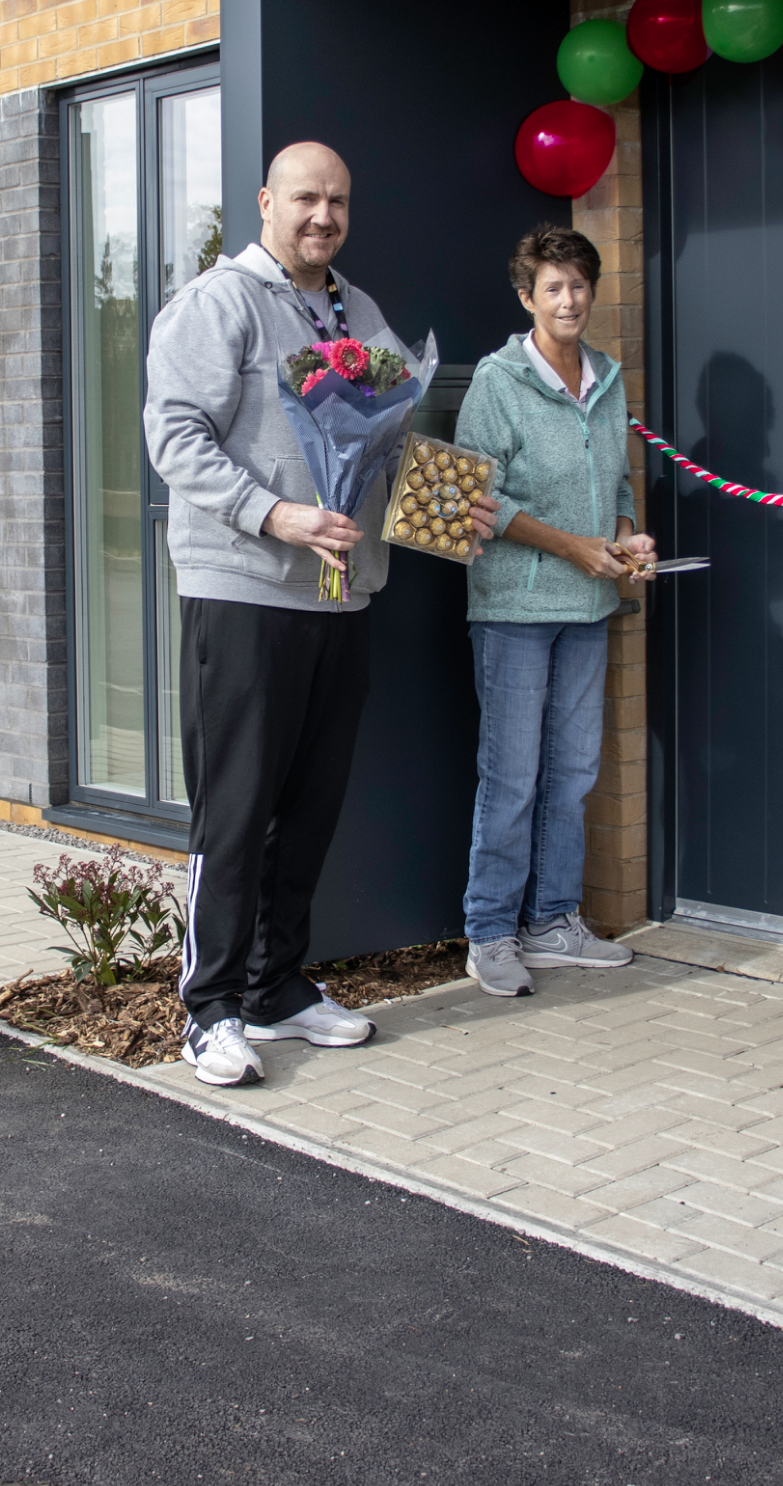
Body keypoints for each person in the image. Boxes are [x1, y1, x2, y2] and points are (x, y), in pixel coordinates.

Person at [143, 142, 497, 1087]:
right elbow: (174, 439)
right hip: (245, 591)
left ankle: (277, 987)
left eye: (338, 201)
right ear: (266, 201)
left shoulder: (361, 311)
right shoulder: (217, 307)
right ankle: (210, 1008)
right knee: (238, 808)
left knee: (308, 808)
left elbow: (378, 456)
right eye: (305, 198)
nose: (322, 217)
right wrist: (277, 513)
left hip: (344, 597)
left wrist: (446, 504)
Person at [450, 225, 649, 997]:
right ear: (527, 298)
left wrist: (628, 542)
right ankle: (491, 932)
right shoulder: (500, 381)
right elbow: (475, 502)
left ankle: (553, 922)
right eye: (553, 288)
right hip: (514, 606)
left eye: (579, 285)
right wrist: (572, 546)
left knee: (573, 773)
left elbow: (623, 488)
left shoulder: (607, 377)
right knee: (513, 778)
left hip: (591, 602)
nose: (569, 300)